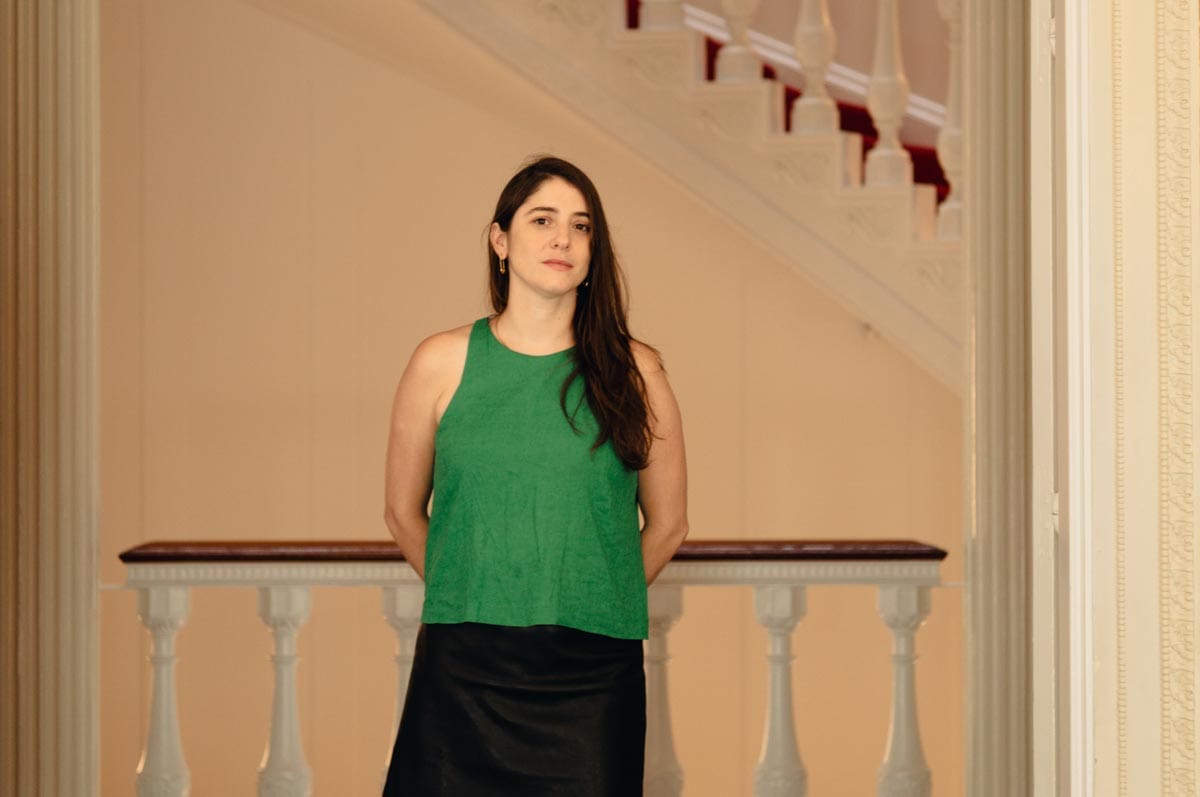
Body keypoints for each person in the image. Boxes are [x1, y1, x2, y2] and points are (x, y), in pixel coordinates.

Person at [381, 155, 689, 796]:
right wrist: (473, 587)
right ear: (501, 240)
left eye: (581, 227)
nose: (562, 239)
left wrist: (595, 593)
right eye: (542, 220)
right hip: (462, 667)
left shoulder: (637, 372)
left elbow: (668, 525)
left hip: (592, 676)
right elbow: (403, 513)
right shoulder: (440, 362)